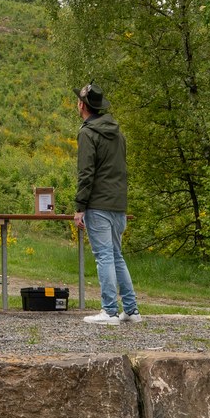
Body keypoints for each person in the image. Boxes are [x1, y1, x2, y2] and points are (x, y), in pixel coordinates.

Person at [74, 83, 140, 325]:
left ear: (82, 104)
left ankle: (109, 311)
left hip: (99, 204)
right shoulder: (117, 132)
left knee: (104, 256)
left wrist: (80, 206)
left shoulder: (87, 133)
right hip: (118, 203)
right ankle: (131, 310)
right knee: (116, 256)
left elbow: (86, 172)